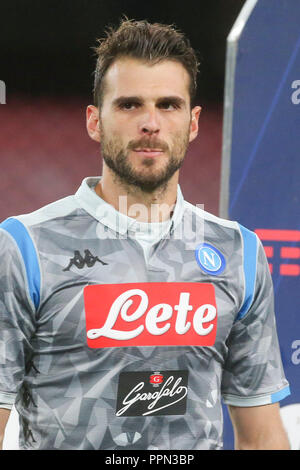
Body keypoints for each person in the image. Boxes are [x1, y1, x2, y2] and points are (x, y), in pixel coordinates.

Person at [0, 18, 290, 451]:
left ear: (193, 123)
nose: (150, 123)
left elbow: (263, 439)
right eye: (130, 104)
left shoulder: (239, 252)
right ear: (95, 121)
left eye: (168, 105)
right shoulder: (25, 247)